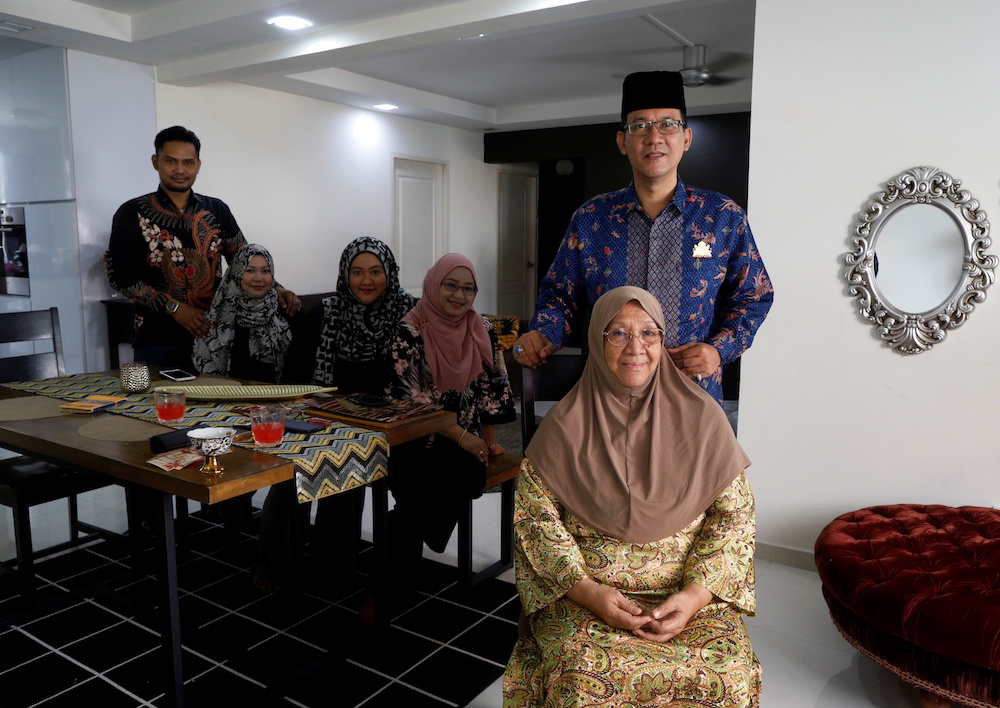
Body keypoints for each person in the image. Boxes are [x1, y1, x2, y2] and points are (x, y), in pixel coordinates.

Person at [503, 286, 760, 707]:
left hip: (686, 597)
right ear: (596, 342)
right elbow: (536, 523)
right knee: (580, 679)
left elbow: (734, 519)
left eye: (649, 333)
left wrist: (694, 596)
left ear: (663, 342)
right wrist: (588, 593)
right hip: (586, 598)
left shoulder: (704, 418)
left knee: (725, 673)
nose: (635, 347)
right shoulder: (564, 426)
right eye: (617, 333)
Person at [511, 71, 773, 404]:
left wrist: (718, 350)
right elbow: (559, 295)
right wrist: (542, 335)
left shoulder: (723, 217)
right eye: (640, 126)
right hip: (609, 394)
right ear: (622, 141)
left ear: (686, 138)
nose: (654, 137)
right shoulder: (592, 219)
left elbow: (755, 295)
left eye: (668, 124)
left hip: (692, 392)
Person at [254, 237, 417, 593]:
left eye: (375, 271)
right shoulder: (324, 312)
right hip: (320, 418)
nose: (366, 280)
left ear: (390, 272)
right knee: (288, 474)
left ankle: (332, 563)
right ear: (345, 274)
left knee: (347, 465)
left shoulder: (409, 313)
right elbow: (297, 377)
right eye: (357, 272)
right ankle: (277, 561)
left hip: (384, 426)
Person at [105, 125, 300, 370]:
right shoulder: (131, 212)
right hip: (156, 338)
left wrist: (277, 288)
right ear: (156, 162)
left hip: (215, 335)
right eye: (171, 161)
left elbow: (243, 259)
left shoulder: (216, 210)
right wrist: (174, 308)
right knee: (158, 405)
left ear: (198, 165)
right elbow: (120, 276)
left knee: (216, 407)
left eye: (188, 162)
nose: (179, 170)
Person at [385, 253, 516, 580]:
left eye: (468, 289)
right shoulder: (409, 330)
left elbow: (491, 386)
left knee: (467, 477)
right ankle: (393, 581)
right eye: (451, 285)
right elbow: (409, 400)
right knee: (415, 491)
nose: (459, 296)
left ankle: (393, 578)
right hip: (414, 437)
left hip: (465, 441)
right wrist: (461, 436)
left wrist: (490, 442)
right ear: (434, 284)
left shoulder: (481, 327)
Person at [192, 244, 293, 382]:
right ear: (236, 273)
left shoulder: (288, 313)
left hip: (279, 400)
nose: (258, 278)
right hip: (225, 399)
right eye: (250, 270)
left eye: (265, 271)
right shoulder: (214, 320)